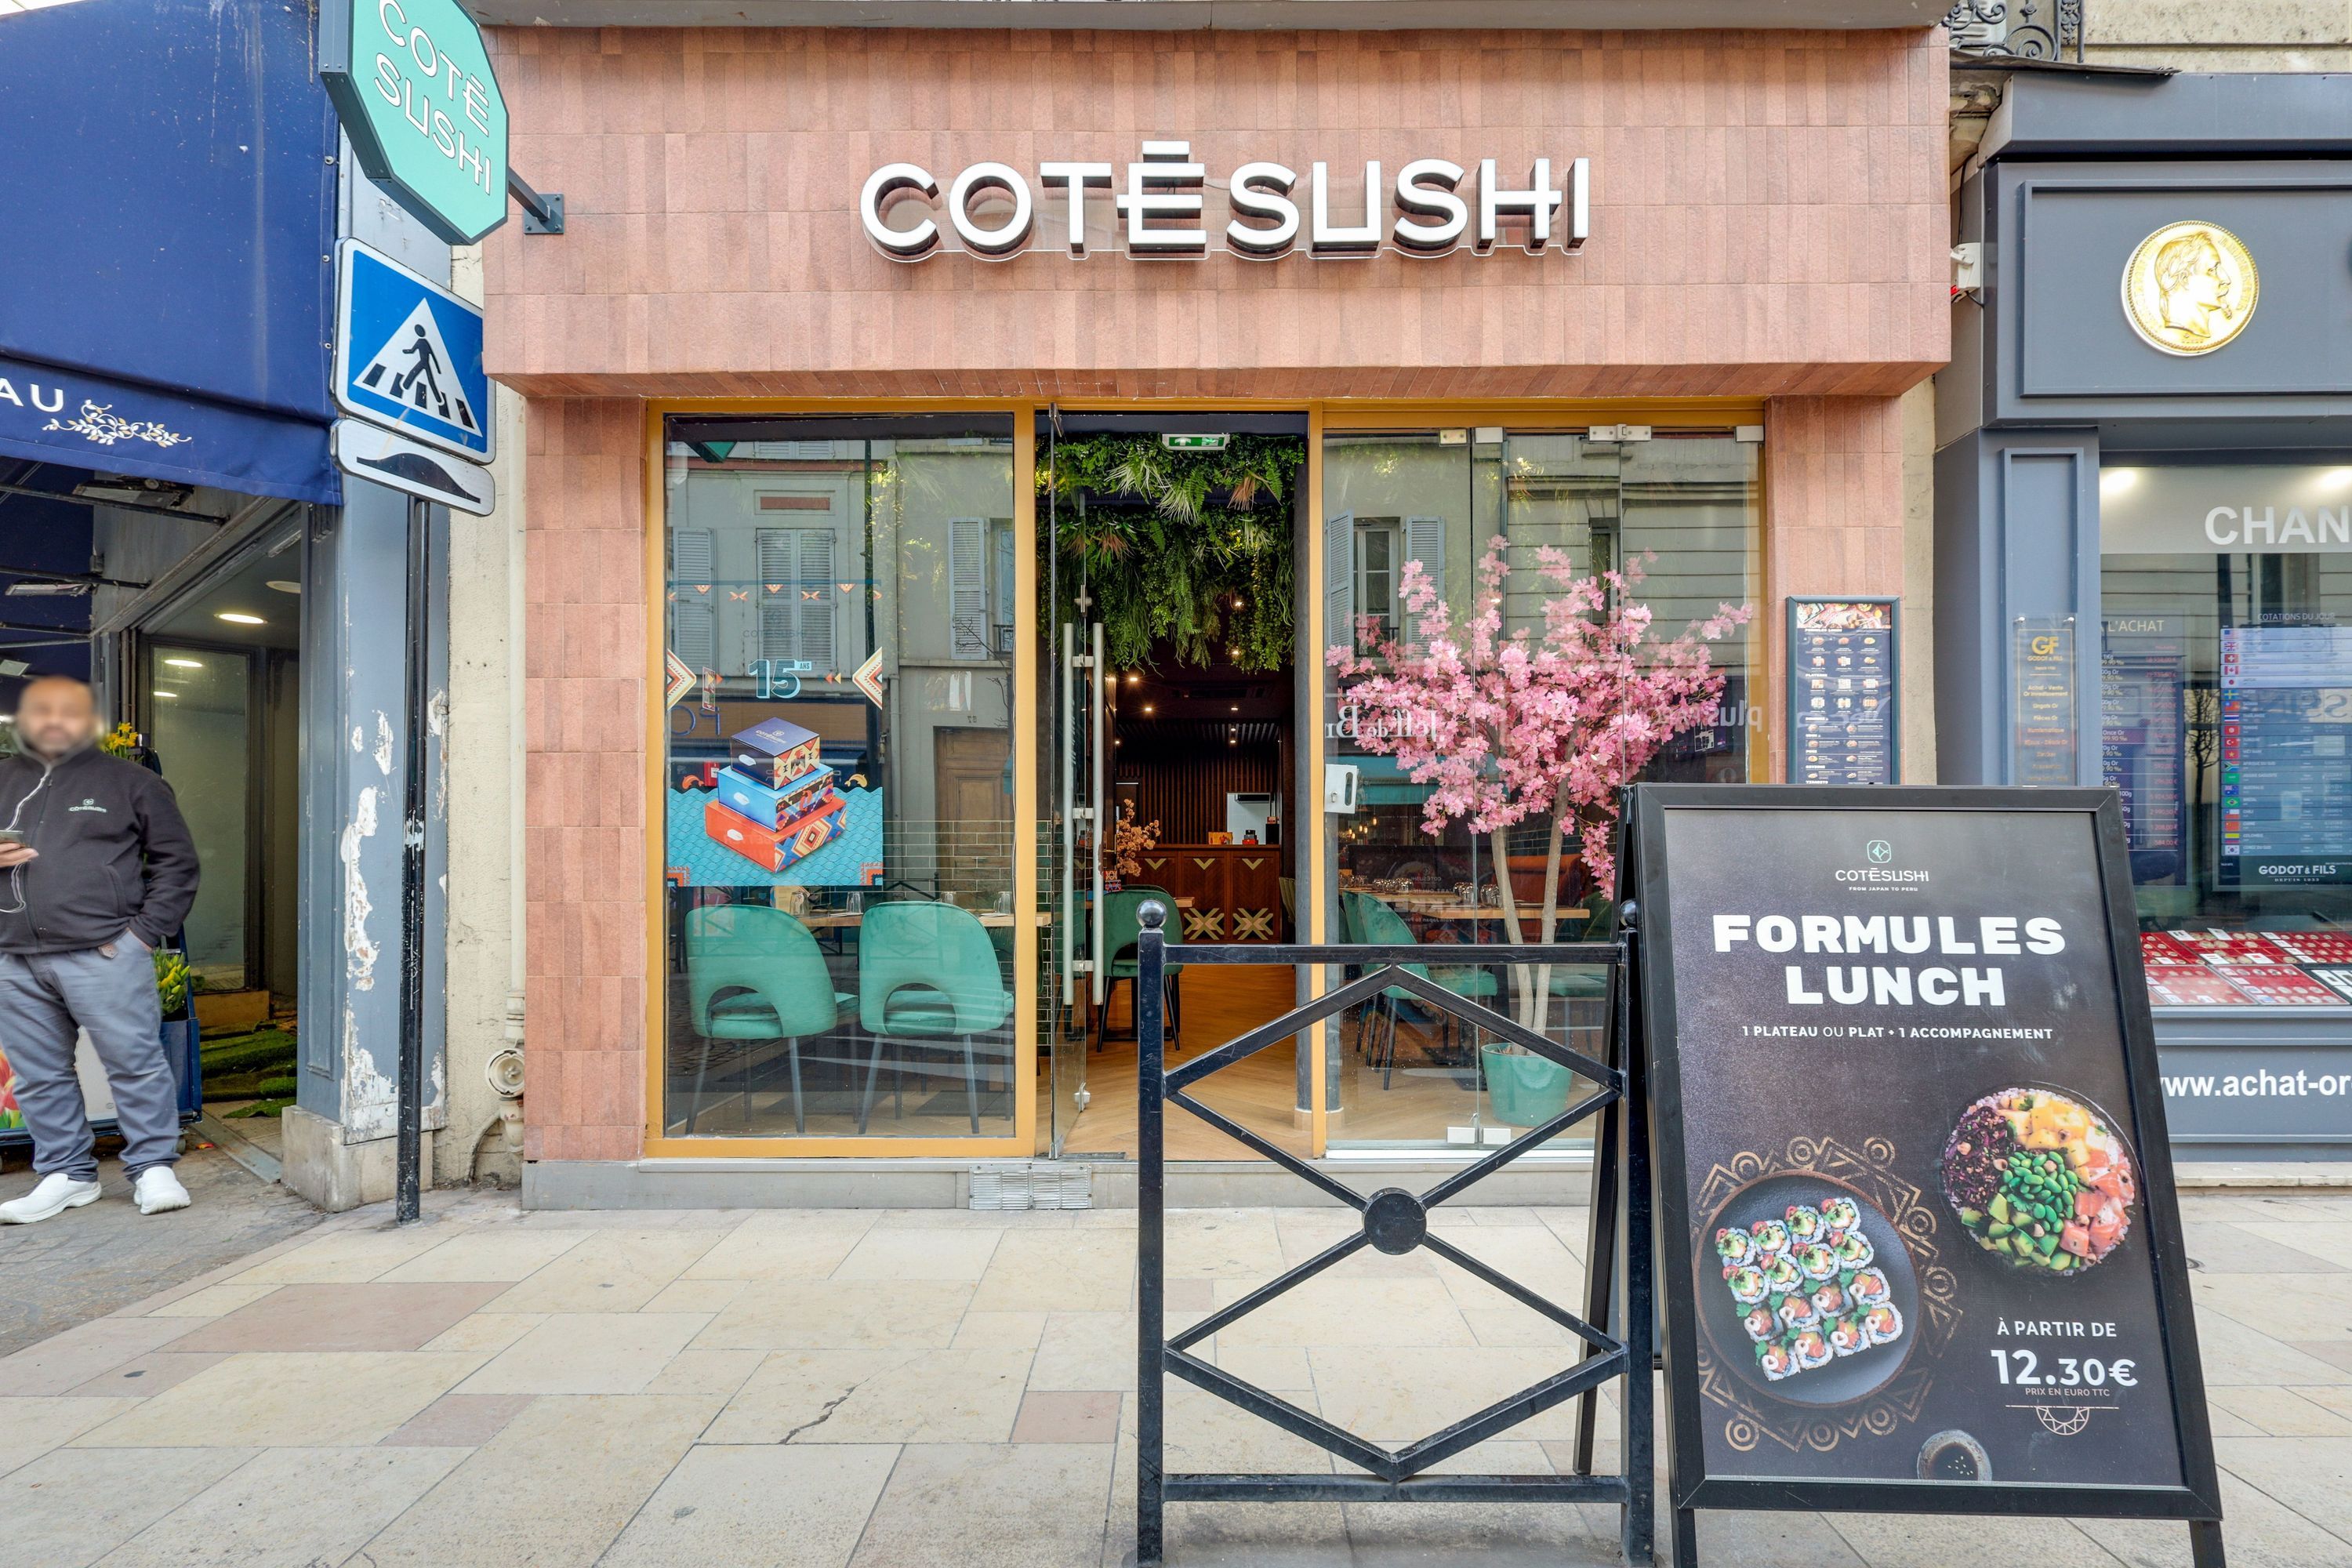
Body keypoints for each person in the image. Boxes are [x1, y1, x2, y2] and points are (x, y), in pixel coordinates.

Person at [0, 677, 199, 1224]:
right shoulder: (2, 779)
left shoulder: (131, 783)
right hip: (14, 957)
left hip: (105, 953)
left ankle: (154, 1167)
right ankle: (66, 1175)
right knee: (39, 1074)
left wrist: (140, 935)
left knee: (133, 1062)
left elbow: (176, 864)